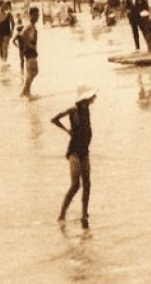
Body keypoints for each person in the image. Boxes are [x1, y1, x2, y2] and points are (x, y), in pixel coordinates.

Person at [51, 90, 96, 228]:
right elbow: (54, 119)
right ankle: (62, 214)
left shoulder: (86, 111)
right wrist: (67, 130)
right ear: (82, 101)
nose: (90, 101)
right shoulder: (73, 111)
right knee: (76, 185)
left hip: (84, 151)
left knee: (87, 184)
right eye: (88, 99)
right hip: (74, 152)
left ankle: (84, 214)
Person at [19, 7, 40, 98]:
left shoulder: (32, 25)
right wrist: (29, 45)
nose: (37, 17)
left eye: (38, 15)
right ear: (30, 15)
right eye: (35, 15)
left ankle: (25, 91)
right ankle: (26, 92)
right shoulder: (29, 25)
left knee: (33, 71)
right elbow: (21, 34)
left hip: (30, 50)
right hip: (30, 50)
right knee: (32, 72)